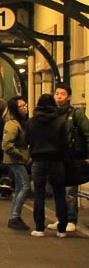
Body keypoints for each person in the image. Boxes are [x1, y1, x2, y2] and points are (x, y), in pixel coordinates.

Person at [26, 93, 69, 237]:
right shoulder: (60, 121)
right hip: (57, 161)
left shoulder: (31, 122)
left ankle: (39, 228)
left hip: (38, 160)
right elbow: (65, 142)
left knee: (39, 195)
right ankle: (62, 229)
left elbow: (28, 139)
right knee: (59, 194)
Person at [49, 82, 89, 232]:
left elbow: (87, 133)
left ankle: (71, 219)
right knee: (58, 189)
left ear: (69, 96)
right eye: (57, 93)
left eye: (63, 94)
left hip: (73, 157)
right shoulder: (53, 114)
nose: (59, 97)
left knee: (70, 190)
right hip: (56, 157)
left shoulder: (76, 114)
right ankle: (61, 219)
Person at [1, 96, 30, 230]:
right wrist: (22, 157)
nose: (25, 108)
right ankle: (14, 216)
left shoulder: (19, 123)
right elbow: (7, 145)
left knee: (20, 187)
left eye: (25, 105)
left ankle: (14, 216)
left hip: (17, 160)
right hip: (16, 160)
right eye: (21, 107)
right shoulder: (12, 124)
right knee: (25, 187)